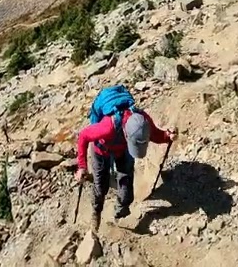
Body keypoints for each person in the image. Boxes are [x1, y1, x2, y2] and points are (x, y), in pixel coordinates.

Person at [74, 86, 177, 231]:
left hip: (123, 150)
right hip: (101, 150)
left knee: (126, 189)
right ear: (126, 134)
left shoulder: (143, 121)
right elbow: (84, 136)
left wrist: (167, 136)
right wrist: (82, 167)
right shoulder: (108, 127)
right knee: (100, 186)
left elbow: (156, 135)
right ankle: (96, 214)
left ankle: (119, 216)